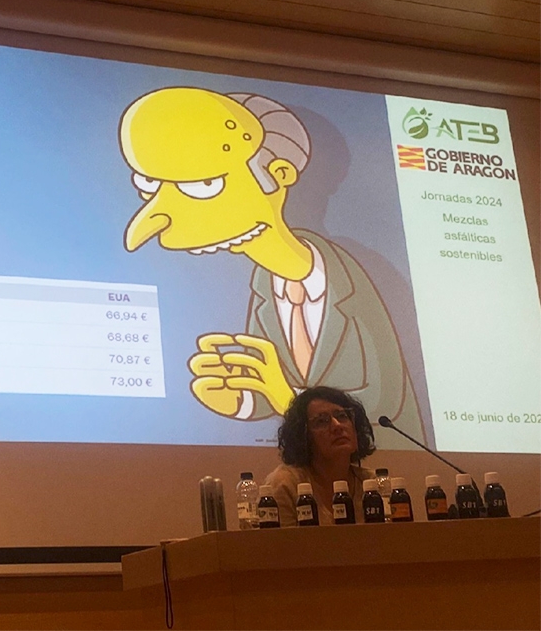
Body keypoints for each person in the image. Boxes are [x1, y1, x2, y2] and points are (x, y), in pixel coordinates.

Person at [117, 87, 425, 447]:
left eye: (205, 184)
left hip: (384, 470)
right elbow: (276, 384)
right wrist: (242, 398)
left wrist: (288, 397)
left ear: (279, 176)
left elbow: (383, 402)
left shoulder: (359, 276)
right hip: (310, 474)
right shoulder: (267, 284)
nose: (156, 221)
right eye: (150, 186)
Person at [264, 386, 376, 527]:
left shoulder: (371, 482)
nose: (337, 425)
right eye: (322, 421)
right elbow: (278, 541)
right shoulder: (286, 484)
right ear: (303, 436)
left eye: (342, 416)